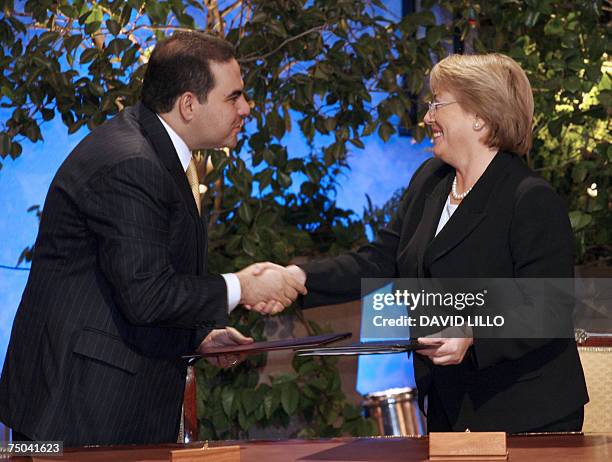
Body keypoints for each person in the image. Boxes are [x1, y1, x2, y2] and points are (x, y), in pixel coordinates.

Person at [0, 31, 305, 446]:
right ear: (188, 104)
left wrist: (199, 337)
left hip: (103, 408)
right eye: (234, 97)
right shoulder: (132, 163)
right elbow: (146, 294)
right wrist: (241, 286)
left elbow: (127, 283)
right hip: (78, 415)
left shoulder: (155, 150)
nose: (246, 108)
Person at [258, 53, 589, 433]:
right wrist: (297, 278)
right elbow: (377, 261)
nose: (428, 116)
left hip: (525, 415)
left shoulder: (528, 197)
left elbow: (551, 306)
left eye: (437, 103)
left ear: (480, 116)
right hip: (449, 407)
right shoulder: (430, 180)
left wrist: (474, 332)